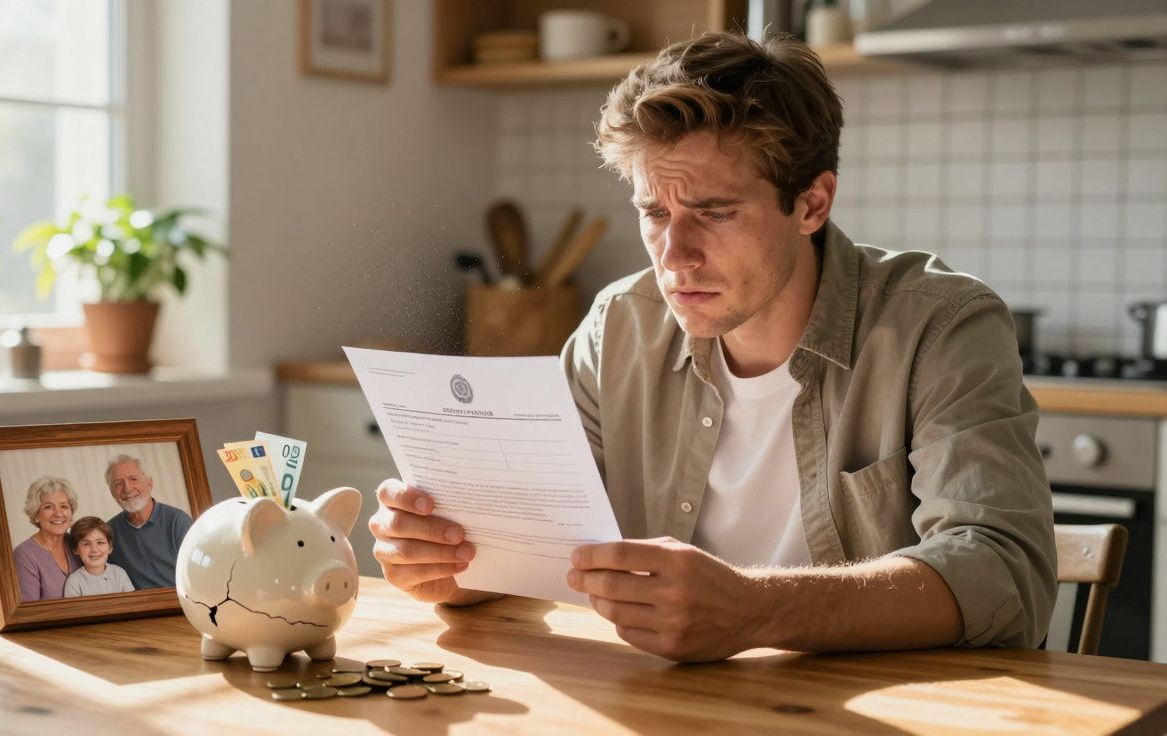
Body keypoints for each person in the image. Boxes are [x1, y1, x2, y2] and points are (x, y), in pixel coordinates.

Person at [368, 32, 1057, 663]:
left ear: (812, 204)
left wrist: (758, 611)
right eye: (655, 213)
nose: (675, 257)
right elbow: (533, 550)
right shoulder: (619, 327)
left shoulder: (941, 326)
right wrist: (447, 564)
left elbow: (1001, 571)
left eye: (715, 213)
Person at [104, 454, 193, 590]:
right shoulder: (108, 531)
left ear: (149, 483)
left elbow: (198, 573)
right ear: (112, 492)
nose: (127, 489)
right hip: (136, 607)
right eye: (118, 484)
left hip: (179, 603)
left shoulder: (177, 521)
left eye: (133, 479)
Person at [13, 476, 82, 602]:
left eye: (64, 506)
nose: (58, 513)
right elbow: (28, 611)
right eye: (48, 507)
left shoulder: (78, 543)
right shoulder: (24, 555)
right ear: (36, 514)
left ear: (71, 512)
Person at [63, 516, 135, 597]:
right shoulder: (74, 581)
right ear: (75, 549)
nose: (94, 549)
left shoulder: (119, 574)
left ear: (110, 547)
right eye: (86, 544)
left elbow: (131, 603)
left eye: (100, 543)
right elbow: (73, 609)